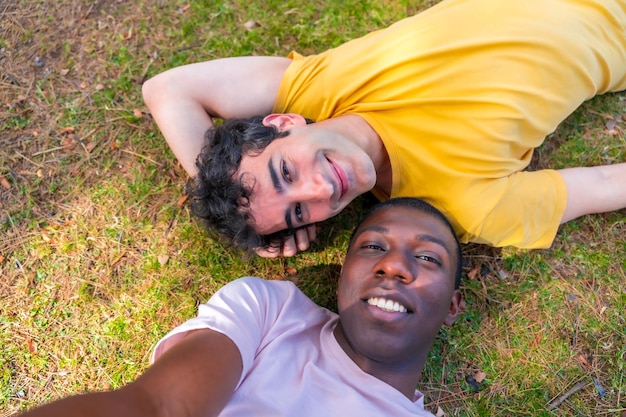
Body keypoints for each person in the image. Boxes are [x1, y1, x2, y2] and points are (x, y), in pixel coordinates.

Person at [142, 0, 626, 257]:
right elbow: (605, 183)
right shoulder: (464, 205)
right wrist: (260, 223)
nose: (321, 190)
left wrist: (215, 187)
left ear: (284, 124)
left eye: (286, 173)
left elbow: (166, 90)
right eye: (299, 215)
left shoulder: (318, 88)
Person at [18, 197, 463, 417]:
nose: (393, 266)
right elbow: (158, 407)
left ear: (451, 307)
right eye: (372, 246)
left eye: (427, 258)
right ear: (343, 274)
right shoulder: (270, 311)